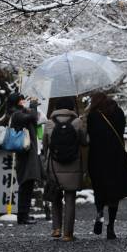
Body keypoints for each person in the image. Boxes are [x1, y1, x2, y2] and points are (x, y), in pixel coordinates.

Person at [87, 91, 127, 240]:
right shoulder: (118, 112)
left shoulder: (93, 116)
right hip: (116, 158)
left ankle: (100, 215)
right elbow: (122, 131)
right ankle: (111, 226)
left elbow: (91, 136)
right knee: (114, 193)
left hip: (97, 158)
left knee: (99, 189)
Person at [42, 96, 87, 241]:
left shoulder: (49, 123)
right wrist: (82, 124)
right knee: (70, 198)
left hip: (54, 165)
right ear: (71, 108)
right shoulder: (77, 121)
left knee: (55, 196)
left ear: (56, 108)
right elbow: (84, 141)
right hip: (73, 164)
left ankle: (56, 228)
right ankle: (68, 234)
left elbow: (45, 147)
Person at [7, 91, 43, 225]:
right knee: (25, 184)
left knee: (28, 184)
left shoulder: (19, 113)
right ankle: (22, 216)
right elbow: (33, 117)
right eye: (21, 100)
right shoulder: (16, 114)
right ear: (16, 102)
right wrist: (33, 105)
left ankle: (24, 214)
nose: (23, 101)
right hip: (25, 154)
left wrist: (31, 107)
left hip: (27, 153)